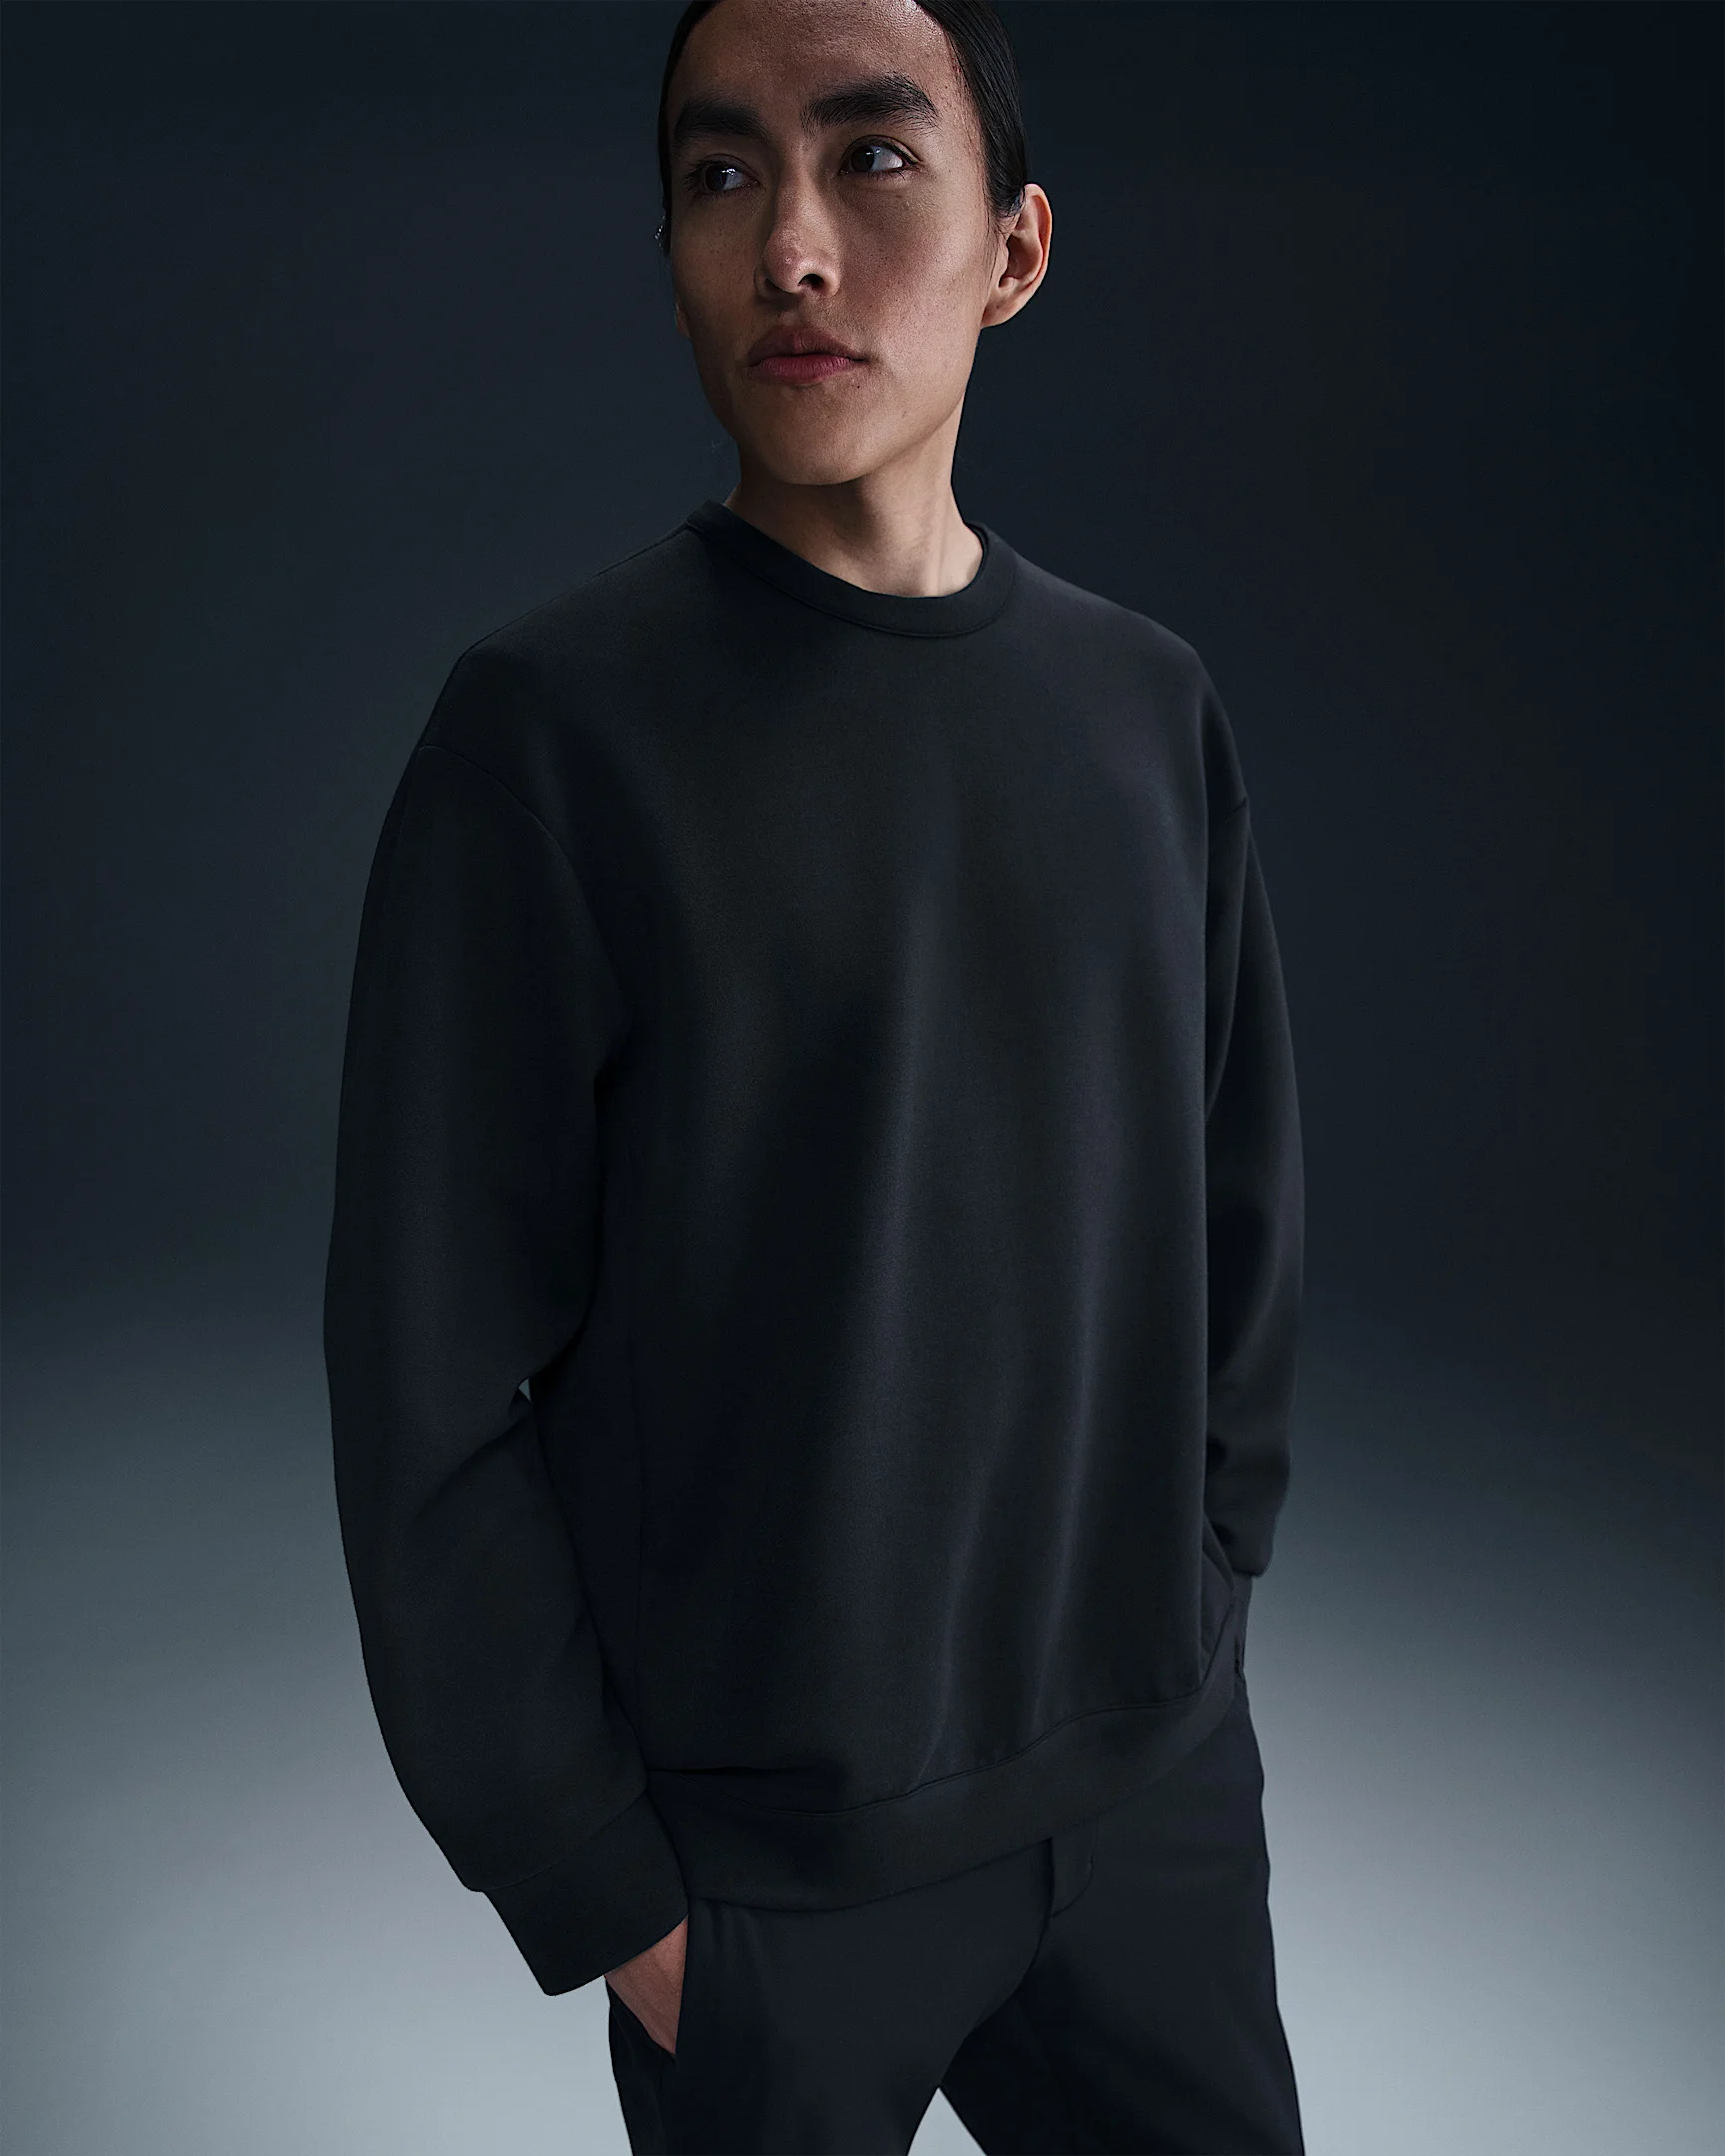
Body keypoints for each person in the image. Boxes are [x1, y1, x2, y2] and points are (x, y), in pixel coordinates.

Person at [322, 0, 1306, 2147]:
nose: (789, 245)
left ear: (1013, 248)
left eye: (871, 157)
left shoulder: (1145, 709)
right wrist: (602, 1889)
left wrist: (1204, 1602)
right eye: (719, 173)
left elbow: (1240, 1210)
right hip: (763, 1880)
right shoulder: (551, 741)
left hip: (1143, 1805)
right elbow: (424, 1387)